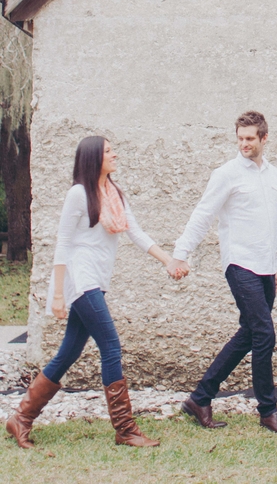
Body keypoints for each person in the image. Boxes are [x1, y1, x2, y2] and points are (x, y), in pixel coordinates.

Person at [6, 135, 176, 449]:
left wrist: (169, 260)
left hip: (97, 279)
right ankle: (125, 429)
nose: (115, 154)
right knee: (110, 345)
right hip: (80, 279)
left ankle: (21, 418)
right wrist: (58, 293)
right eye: (109, 151)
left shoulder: (114, 193)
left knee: (68, 352)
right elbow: (63, 243)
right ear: (94, 157)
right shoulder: (78, 194)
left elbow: (135, 232)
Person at [168, 110, 277, 434]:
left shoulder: (273, 174)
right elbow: (203, 214)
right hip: (239, 263)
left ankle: (200, 398)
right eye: (240, 138)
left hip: (266, 265)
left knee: (249, 334)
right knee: (264, 334)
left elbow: (276, 221)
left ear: (263, 138)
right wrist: (180, 253)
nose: (244, 144)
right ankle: (269, 412)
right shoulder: (226, 174)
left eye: (250, 139)